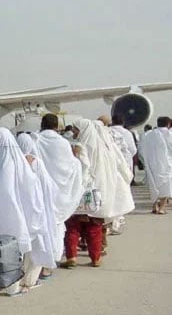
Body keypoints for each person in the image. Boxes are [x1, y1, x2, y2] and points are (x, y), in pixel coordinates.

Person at [0, 128, 48, 294]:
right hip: (13, 210)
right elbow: (30, 185)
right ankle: (13, 287)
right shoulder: (17, 159)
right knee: (13, 249)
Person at [64, 119, 135, 266]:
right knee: (95, 226)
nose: (74, 132)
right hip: (99, 194)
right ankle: (96, 258)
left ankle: (71, 257)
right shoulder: (106, 148)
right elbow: (121, 167)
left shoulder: (81, 147)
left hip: (82, 191)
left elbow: (83, 168)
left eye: (77, 130)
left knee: (73, 226)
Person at [17, 133, 62, 278]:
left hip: (20, 209)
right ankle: (30, 278)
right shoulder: (37, 162)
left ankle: (18, 276)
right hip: (38, 207)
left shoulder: (13, 162)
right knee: (38, 242)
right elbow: (49, 187)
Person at [139, 116, 172, 214]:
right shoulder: (169, 134)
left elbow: (141, 149)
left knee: (153, 185)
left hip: (151, 164)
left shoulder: (148, 135)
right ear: (168, 124)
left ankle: (154, 206)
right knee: (166, 185)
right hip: (167, 164)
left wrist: (145, 160)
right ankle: (162, 207)